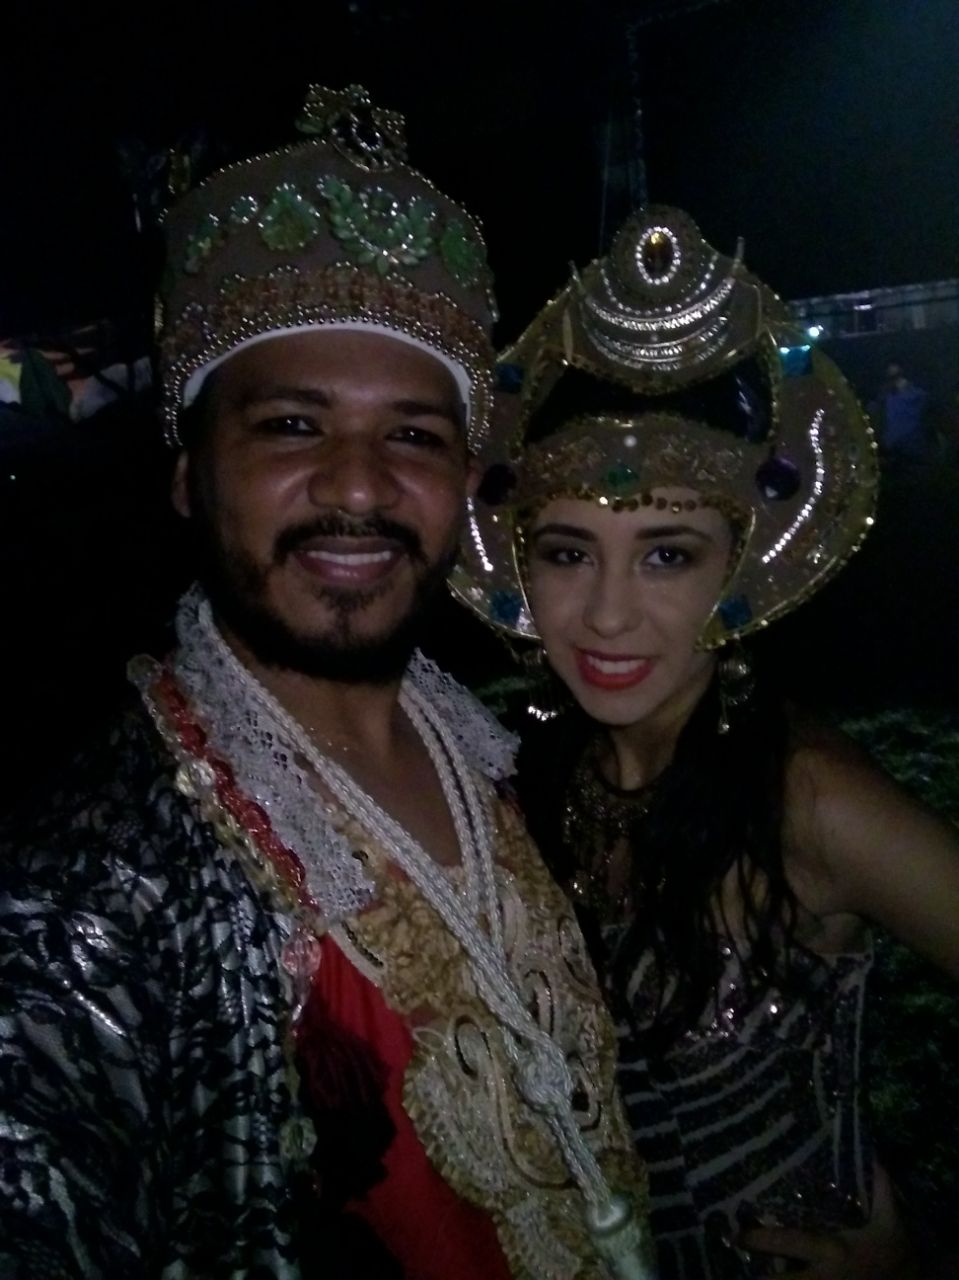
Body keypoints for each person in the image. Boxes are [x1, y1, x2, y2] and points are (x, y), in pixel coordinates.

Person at [0, 86, 655, 1279]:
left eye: (413, 434)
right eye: (293, 426)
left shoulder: (501, 760)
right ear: (190, 474)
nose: (358, 485)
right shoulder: (86, 894)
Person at [453, 206, 959, 1279]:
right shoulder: (537, 773)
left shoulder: (808, 798)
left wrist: (925, 1255)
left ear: (743, 569)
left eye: (667, 555)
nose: (605, 615)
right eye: (567, 552)